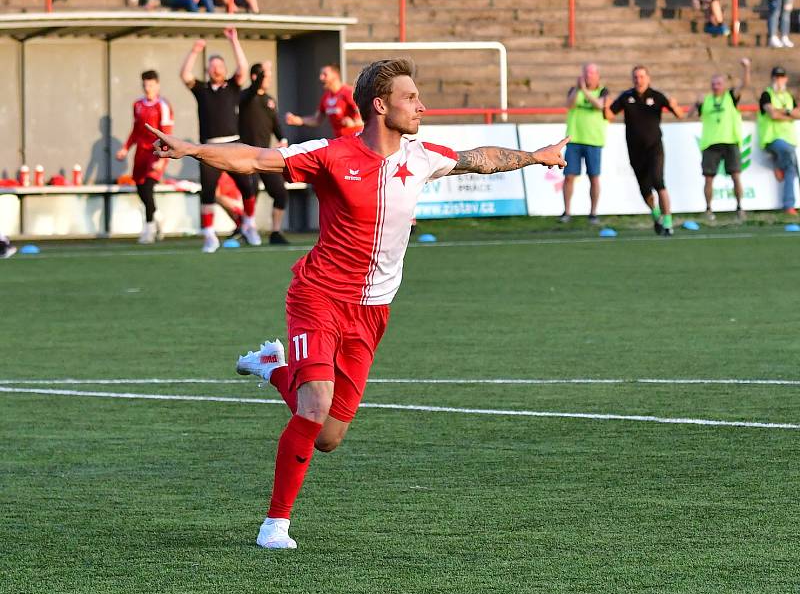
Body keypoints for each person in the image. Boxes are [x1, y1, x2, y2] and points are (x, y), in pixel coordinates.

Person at [146, 58, 568, 550]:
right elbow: (257, 159)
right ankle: (275, 524)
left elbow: (481, 158)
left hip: (373, 313)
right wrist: (192, 150)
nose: (421, 106)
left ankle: (273, 368)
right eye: (412, 98)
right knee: (316, 402)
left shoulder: (423, 155)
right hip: (319, 296)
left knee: (327, 436)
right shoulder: (330, 153)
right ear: (380, 105)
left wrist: (537, 155)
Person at [180, 27, 260, 252]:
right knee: (208, 191)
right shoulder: (202, 89)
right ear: (208, 70)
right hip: (209, 147)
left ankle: (249, 224)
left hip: (233, 144)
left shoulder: (233, 87)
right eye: (213, 66)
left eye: (220, 66)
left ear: (224, 69)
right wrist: (195, 51)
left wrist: (234, 41)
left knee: (248, 186)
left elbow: (243, 69)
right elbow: (185, 76)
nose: (216, 69)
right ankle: (209, 235)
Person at [606, 66, 685, 236]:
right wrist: (604, 105)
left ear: (648, 78)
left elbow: (679, 114)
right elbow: (609, 116)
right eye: (635, 77)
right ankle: (656, 215)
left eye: (641, 76)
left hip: (654, 147)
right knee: (645, 189)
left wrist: (674, 105)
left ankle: (668, 222)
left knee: (659, 182)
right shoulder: (626, 97)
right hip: (635, 151)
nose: (638, 80)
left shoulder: (656, 96)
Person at [116, 70, 174, 244]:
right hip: (140, 154)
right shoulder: (138, 105)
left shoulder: (163, 106)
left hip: (156, 153)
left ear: (157, 85)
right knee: (141, 190)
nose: (148, 88)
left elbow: (167, 134)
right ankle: (157, 216)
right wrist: (126, 148)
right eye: (145, 85)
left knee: (148, 187)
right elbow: (136, 130)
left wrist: (163, 158)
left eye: (151, 85)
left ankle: (148, 229)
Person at [688, 58, 750, 220]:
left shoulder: (731, 96)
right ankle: (708, 209)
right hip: (710, 143)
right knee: (708, 178)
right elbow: (689, 115)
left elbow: (744, 85)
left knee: (736, 175)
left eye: (719, 83)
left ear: (723, 85)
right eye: (713, 84)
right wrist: (695, 104)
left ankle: (739, 207)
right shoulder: (706, 100)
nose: (716, 86)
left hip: (730, 141)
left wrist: (746, 68)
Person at [239, 61, 291, 245]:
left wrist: (283, 139)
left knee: (280, 193)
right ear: (255, 77)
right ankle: (245, 228)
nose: (268, 79)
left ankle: (275, 232)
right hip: (247, 155)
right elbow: (252, 89)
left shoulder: (269, 100)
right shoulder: (246, 97)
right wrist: (264, 71)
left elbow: (276, 124)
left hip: (265, 156)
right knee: (250, 191)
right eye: (265, 76)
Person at [561, 63, 609, 224]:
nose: (588, 76)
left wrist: (586, 91)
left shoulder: (603, 91)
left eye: (591, 73)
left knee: (594, 177)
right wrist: (578, 89)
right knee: (569, 177)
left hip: (593, 140)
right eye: (586, 73)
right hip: (574, 140)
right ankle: (567, 212)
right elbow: (569, 105)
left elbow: (599, 105)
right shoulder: (575, 90)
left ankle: (593, 213)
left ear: (597, 75)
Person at [758, 66, 800, 214]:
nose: (779, 80)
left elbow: (798, 113)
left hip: (789, 139)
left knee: (791, 169)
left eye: (781, 77)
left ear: (786, 79)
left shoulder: (788, 96)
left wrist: (783, 111)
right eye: (776, 77)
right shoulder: (766, 94)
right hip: (773, 138)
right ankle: (789, 205)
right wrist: (789, 114)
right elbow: (772, 115)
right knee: (793, 165)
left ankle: (778, 164)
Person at [285, 63, 364, 138]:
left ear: (335, 76)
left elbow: (367, 116)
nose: (321, 78)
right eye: (321, 75)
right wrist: (299, 120)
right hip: (340, 141)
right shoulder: (326, 97)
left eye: (325, 74)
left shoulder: (348, 92)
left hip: (357, 140)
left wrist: (354, 123)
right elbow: (316, 120)